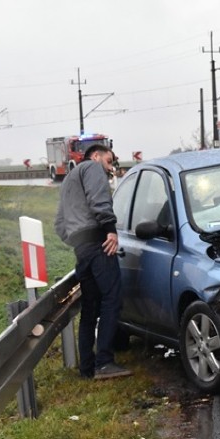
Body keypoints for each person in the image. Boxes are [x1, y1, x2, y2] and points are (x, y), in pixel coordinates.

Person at [54, 144, 132, 380]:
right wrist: (109, 230)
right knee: (112, 299)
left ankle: (87, 367)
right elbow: (99, 200)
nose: (109, 169)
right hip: (99, 244)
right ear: (96, 156)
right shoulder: (92, 168)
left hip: (83, 249)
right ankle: (105, 362)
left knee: (90, 307)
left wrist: (79, 241)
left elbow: (59, 224)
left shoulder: (68, 180)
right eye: (109, 162)